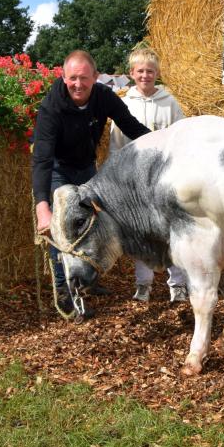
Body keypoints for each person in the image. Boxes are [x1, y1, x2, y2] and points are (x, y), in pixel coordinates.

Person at [32, 50, 150, 321]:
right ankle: (65, 295)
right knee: (62, 230)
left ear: (96, 78)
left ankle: (88, 279)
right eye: (72, 78)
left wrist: (165, 142)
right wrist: (43, 207)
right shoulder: (52, 107)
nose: (77, 84)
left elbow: (131, 127)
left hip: (86, 166)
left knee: (92, 223)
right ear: (63, 77)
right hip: (59, 169)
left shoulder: (104, 97)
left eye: (84, 78)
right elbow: (42, 159)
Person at [109, 47, 188, 303]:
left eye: (150, 71)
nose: (145, 75)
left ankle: (178, 284)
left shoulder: (169, 102)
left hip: (164, 177)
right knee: (141, 234)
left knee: (170, 232)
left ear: (157, 73)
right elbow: (116, 143)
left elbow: (181, 136)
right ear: (132, 73)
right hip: (136, 181)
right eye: (140, 71)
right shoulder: (124, 104)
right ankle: (143, 284)